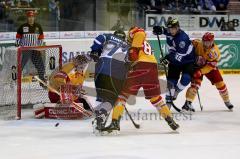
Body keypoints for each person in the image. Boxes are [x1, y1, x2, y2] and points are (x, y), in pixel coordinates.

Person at [101, 26, 179, 134]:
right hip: (152, 68)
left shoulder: (137, 38)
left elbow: (137, 40)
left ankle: (115, 123)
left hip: (140, 66)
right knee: (155, 97)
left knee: (122, 95)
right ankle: (170, 121)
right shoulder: (145, 44)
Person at [90, 30, 130, 133]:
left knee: (101, 94)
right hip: (117, 69)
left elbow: (99, 39)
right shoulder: (128, 46)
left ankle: (97, 118)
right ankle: (102, 115)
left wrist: (95, 50)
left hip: (101, 65)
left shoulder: (109, 36)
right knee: (112, 98)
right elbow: (128, 65)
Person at [183, 32, 234, 111]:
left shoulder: (215, 52)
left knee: (220, 83)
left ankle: (227, 101)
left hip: (209, 67)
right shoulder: (197, 43)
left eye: (208, 42)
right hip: (196, 66)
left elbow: (210, 66)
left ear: (212, 41)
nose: (206, 43)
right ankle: (188, 103)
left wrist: (201, 71)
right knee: (195, 84)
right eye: (205, 41)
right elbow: (186, 46)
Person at [153, 19, 196, 109]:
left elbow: (180, 56)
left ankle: (176, 91)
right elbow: (165, 31)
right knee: (171, 81)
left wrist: (168, 58)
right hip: (175, 60)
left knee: (186, 78)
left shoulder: (182, 39)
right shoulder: (171, 32)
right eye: (170, 29)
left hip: (187, 60)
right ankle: (168, 100)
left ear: (178, 28)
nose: (171, 31)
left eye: (173, 29)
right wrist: (159, 29)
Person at [15, 10, 45, 83]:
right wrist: (17, 45)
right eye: (29, 17)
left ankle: (42, 81)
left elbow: (41, 38)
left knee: (40, 66)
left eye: (32, 17)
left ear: (34, 17)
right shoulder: (22, 27)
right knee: (20, 66)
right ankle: (15, 81)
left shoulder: (38, 26)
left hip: (35, 49)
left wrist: (40, 48)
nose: (31, 18)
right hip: (25, 49)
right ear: (27, 18)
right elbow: (18, 37)